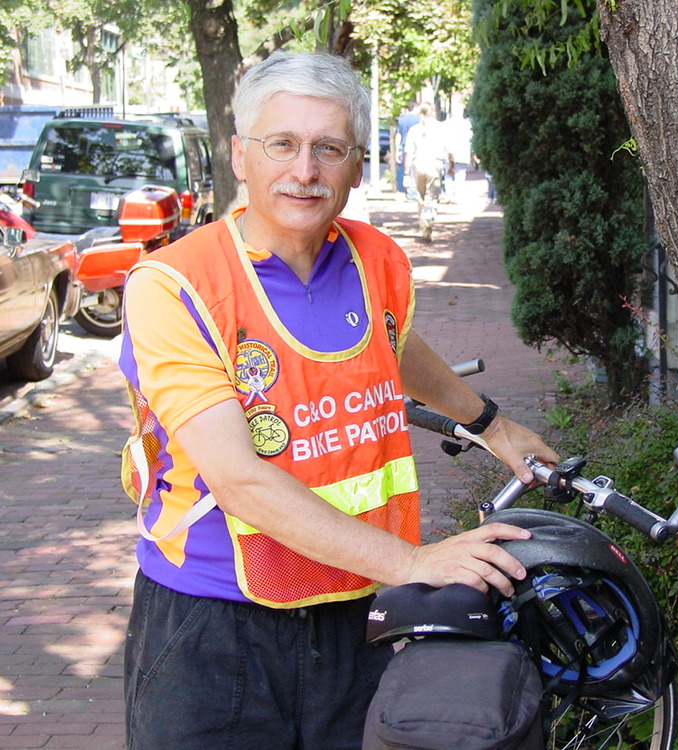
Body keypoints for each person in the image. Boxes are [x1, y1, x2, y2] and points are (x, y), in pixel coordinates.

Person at [118, 51, 558, 750]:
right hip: (213, 631)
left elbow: (391, 342)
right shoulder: (176, 285)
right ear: (238, 155)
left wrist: (490, 423)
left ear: (357, 165)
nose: (305, 171)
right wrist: (413, 565)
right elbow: (238, 479)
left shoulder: (375, 259)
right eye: (282, 144)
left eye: (329, 148)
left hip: (355, 611)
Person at [403, 102, 451, 241]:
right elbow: (448, 150)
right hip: (434, 164)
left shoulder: (414, 130)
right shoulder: (441, 128)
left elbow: (408, 153)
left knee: (420, 196)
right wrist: (450, 164)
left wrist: (406, 174)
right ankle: (427, 219)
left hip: (418, 164)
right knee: (432, 196)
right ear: (433, 111)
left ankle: (422, 223)